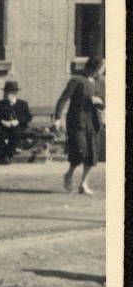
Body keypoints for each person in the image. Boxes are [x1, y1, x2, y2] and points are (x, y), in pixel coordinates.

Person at [54, 56, 105, 195]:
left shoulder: (99, 82)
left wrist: (99, 102)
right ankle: (69, 174)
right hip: (77, 120)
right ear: (95, 67)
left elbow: (104, 102)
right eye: (102, 67)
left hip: (93, 121)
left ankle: (83, 184)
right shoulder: (76, 80)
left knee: (92, 153)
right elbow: (63, 99)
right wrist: (58, 117)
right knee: (80, 150)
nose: (103, 70)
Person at [0, 81, 32, 165]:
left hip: (17, 126)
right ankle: (4, 155)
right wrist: (2, 121)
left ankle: (8, 156)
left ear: (16, 93)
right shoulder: (0, 104)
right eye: (7, 92)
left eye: (12, 92)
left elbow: (28, 116)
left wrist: (17, 121)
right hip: (4, 126)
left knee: (16, 133)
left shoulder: (23, 104)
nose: (9, 94)